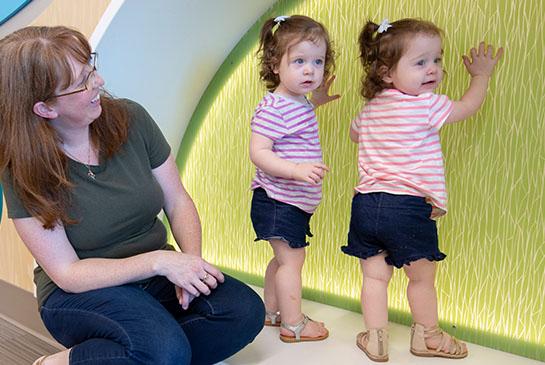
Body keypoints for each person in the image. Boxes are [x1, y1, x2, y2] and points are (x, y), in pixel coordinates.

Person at [0, 25, 265, 365]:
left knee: (243, 312)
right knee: (163, 349)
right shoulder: (22, 168)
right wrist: (158, 261)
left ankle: (143, 354)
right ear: (45, 109)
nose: (99, 82)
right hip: (82, 291)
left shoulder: (132, 119)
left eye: (91, 68)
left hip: (154, 274)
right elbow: (68, 273)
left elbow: (177, 200)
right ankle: (60, 362)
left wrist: (191, 263)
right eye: (81, 82)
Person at [341, 18, 502, 361]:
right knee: (421, 279)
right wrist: (481, 76)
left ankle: (375, 339)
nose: (433, 70)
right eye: (420, 62)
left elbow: (355, 135)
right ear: (386, 73)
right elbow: (467, 107)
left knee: (374, 278)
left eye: (437, 60)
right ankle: (427, 337)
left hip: (366, 206)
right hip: (408, 207)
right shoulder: (427, 104)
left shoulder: (369, 109)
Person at [249, 15, 338, 343]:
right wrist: (296, 170)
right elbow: (259, 151)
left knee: (283, 260)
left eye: (317, 61)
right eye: (299, 61)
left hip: (290, 202)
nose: (310, 70)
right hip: (277, 200)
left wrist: (316, 101)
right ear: (275, 65)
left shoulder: (297, 102)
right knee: (292, 263)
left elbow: (297, 127)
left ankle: (272, 312)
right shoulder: (273, 107)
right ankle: (294, 324)